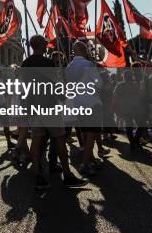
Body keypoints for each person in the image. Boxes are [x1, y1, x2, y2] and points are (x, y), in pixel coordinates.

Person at [21, 35, 87, 190]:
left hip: (34, 108)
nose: (47, 45)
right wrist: (63, 96)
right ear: (40, 45)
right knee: (59, 139)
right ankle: (68, 175)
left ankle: (37, 175)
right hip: (49, 106)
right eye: (45, 43)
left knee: (36, 141)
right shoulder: (47, 63)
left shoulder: (25, 64)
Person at [67, 41, 102, 178]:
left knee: (86, 132)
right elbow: (99, 83)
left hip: (77, 102)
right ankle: (84, 163)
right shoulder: (88, 65)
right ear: (83, 49)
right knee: (92, 133)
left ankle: (91, 160)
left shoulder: (69, 67)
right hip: (92, 101)